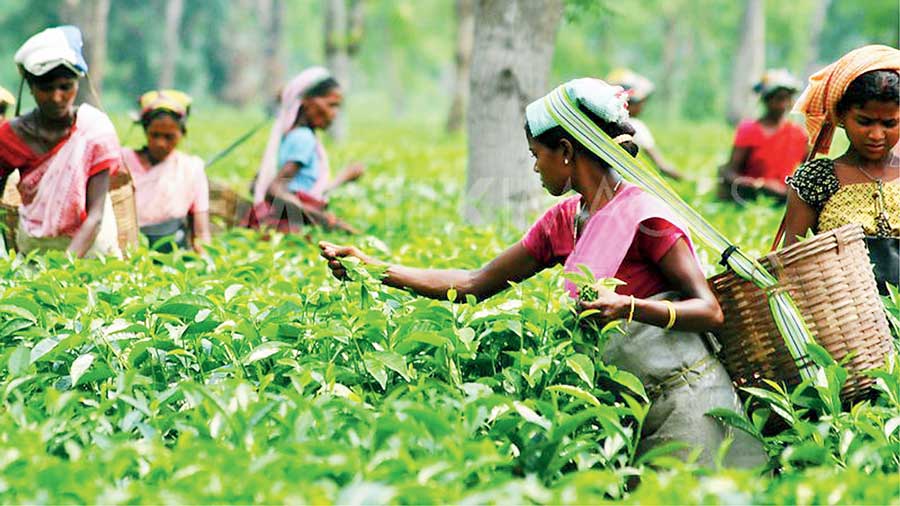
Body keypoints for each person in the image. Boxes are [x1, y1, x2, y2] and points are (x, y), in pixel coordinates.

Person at [320, 78, 766, 468]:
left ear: (567, 151)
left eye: (537, 155)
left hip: (692, 403)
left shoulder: (646, 216)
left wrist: (627, 306)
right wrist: (375, 269)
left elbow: (708, 309)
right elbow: (474, 283)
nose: (535, 167)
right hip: (631, 407)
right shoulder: (563, 221)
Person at [780, 45, 900, 294]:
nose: (877, 135)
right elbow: (789, 265)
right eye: (864, 122)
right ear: (841, 116)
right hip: (844, 318)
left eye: (890, 124)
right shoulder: (816, 180)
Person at [0, 26, 120, 257]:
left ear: (77, 84)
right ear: (31, 88)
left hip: (93, 249)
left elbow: (95, 216)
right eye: (46, 88)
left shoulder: (94, 130)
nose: (57, 97)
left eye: (65, 87)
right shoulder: (11, 136)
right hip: (35, 247)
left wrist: (64, 267)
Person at [250, 67, 364, 234]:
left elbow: (300, 188)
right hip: (291, 231)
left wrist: (342, 178)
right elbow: (275, 190)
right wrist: (325, 220)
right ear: (307, 101)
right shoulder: (303, 139)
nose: (334, 114)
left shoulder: (292, 135)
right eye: (331, 105)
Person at [122, 90, 211, 253]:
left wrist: (207, 262)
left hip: (172, 251)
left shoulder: (192, 169)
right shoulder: (123, 161)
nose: (161, 143)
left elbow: (201, 232)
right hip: (127, 249)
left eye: (169, 137)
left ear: (182, 133)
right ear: (144, 130)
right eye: (154, 135)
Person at [719, 69, 808, 203]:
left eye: (787, 99)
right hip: (749, 199)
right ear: (766, 100)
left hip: (782, 200)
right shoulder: (749, 130)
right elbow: (730, 172)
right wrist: (758, 185)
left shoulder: (799, 135)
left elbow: (809, 173)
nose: (783, 105)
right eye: (779, 99)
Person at [607, 68, 682, 180]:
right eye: (641, 103)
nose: (642, 107)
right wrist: (690, 180)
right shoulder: (636, 126)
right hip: (620, 185)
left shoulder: (603, 122)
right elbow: (662, 166)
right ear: (630, 102)